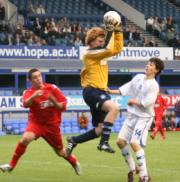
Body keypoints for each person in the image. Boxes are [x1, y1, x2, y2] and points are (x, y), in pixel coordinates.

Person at [0, 68, 81, 175]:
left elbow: (63, 107)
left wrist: (54, 102)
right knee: (25, 139)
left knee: (61, 153)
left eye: (39, 76)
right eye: (35, 77)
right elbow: (25, 104)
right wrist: (34, 96)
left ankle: (74, 162)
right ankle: (11, 165)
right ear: (30, 80)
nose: (38, 79)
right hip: (36, 124)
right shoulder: (28, 92)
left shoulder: (52, 88)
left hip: (52, 126)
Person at [66, 18, 124, 155]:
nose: (101, 43)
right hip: (92, 91)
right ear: (91, 41)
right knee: (114, 108)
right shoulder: (89, 54)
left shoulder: (100, 55)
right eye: (99, 40)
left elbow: (117, 49)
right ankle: (104, 143)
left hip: (100, 92)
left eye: (102, 40)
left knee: (100, 129)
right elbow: (108, 48)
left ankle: (74, 140)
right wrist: (110, 30)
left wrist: (118, 31)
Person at [108, 58, 165, 182]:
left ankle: (144, 177)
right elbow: (126, 89)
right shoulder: (138, 77)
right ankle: (133, 169)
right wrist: (109, 91)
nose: (147, 65)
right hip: (132, 115)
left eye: (151, 65)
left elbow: (147, 103)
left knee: (134, 143)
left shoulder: (154, 85)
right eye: (148, 63)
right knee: (120, 141)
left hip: (143, 118)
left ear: (156, 70)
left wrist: (133, 101)